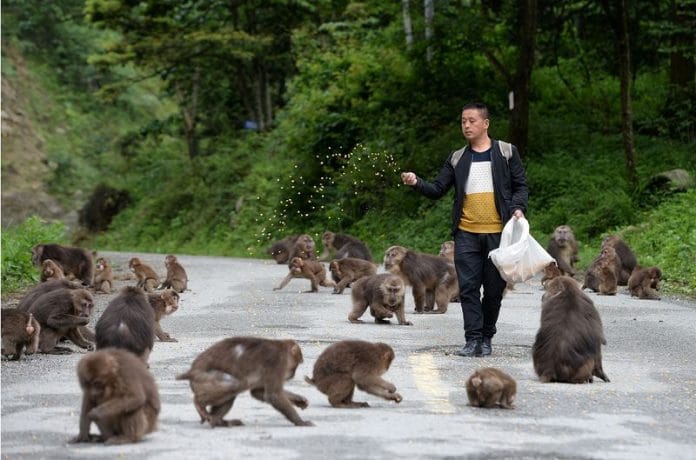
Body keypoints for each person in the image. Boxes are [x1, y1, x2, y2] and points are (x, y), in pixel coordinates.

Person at [401, 102, 528, 357]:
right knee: (468, 288)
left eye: (471, 121)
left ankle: (487, 337)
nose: (466, 125)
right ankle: (472, 340)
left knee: (493, 290)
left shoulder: (506, 152)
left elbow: (521, 186)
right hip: (466, 233)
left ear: (485, 123)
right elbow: (438, 189)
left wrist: (517, 207)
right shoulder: (457, 157)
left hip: (497, 235)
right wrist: (417, 182)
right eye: (463, 121)